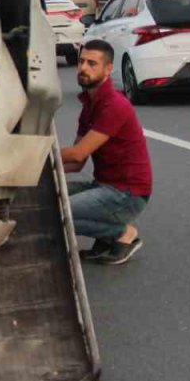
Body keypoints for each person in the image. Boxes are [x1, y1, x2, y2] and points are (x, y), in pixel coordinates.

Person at [60, 39, 152, 265]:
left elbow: (79, 153)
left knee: (57, 213)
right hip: (104, 186)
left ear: (108, 69)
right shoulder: (89, 105)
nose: (83, 68)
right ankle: (108, 237)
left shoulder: (114, 105)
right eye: (81, 61)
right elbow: (75, 164)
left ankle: (120, 234)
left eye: (92, 63)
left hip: (127, 195)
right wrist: (38, 176)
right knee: (49, 196)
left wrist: (35, 156)